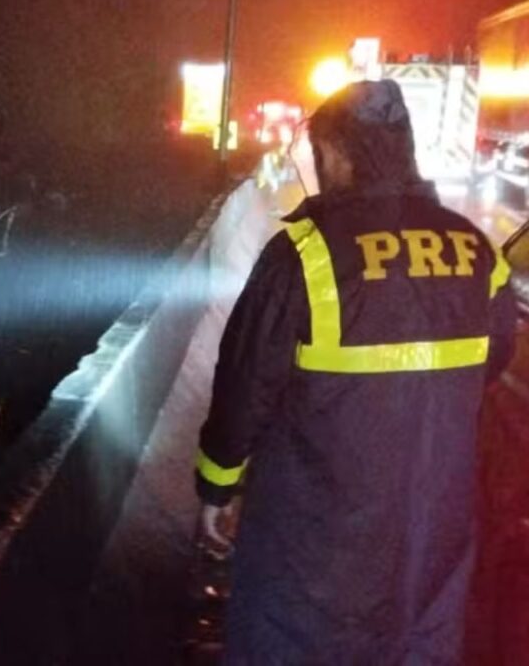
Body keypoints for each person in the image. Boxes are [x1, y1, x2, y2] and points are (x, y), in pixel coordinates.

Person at [194, 80, 517, 664]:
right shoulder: (477, 252)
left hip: (313, 549)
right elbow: (493, 363)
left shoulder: (306, 254)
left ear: (336, 154)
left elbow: (244, 385)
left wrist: (218, 487)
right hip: (432, 540)